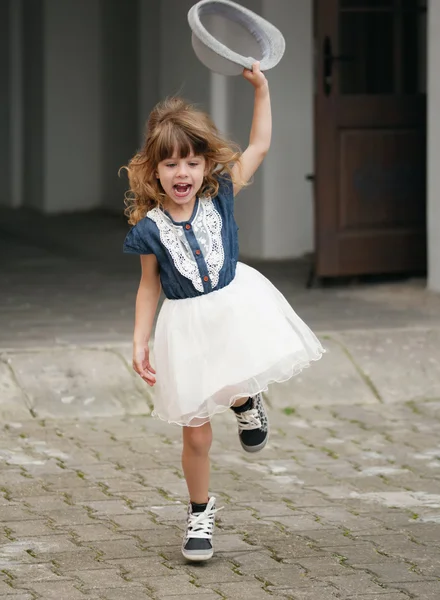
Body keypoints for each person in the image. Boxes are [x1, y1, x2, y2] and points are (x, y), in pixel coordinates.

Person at [121, 63, 324, 562]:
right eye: (170, 165)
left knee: (234, 378)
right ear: (154, 170)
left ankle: (245, 400)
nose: (182, 174)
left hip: (234, 307)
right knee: (196, 430)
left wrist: (262, 89)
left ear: (205, 164)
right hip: (185, 325)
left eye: (191, 162)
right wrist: (139, 339)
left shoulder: (221, 193)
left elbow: (258, 146)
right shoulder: (149, 227)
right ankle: (198, 513)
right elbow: (149, 286)